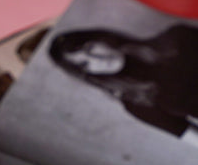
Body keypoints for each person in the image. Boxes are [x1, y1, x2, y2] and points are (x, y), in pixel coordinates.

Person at [48, 24, 198, 137]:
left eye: (91, 48)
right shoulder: (136, 103)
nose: (98, 59)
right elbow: (192, 136)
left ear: (102, 38)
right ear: (88, 73)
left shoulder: (178, 38)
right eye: (85, 64)